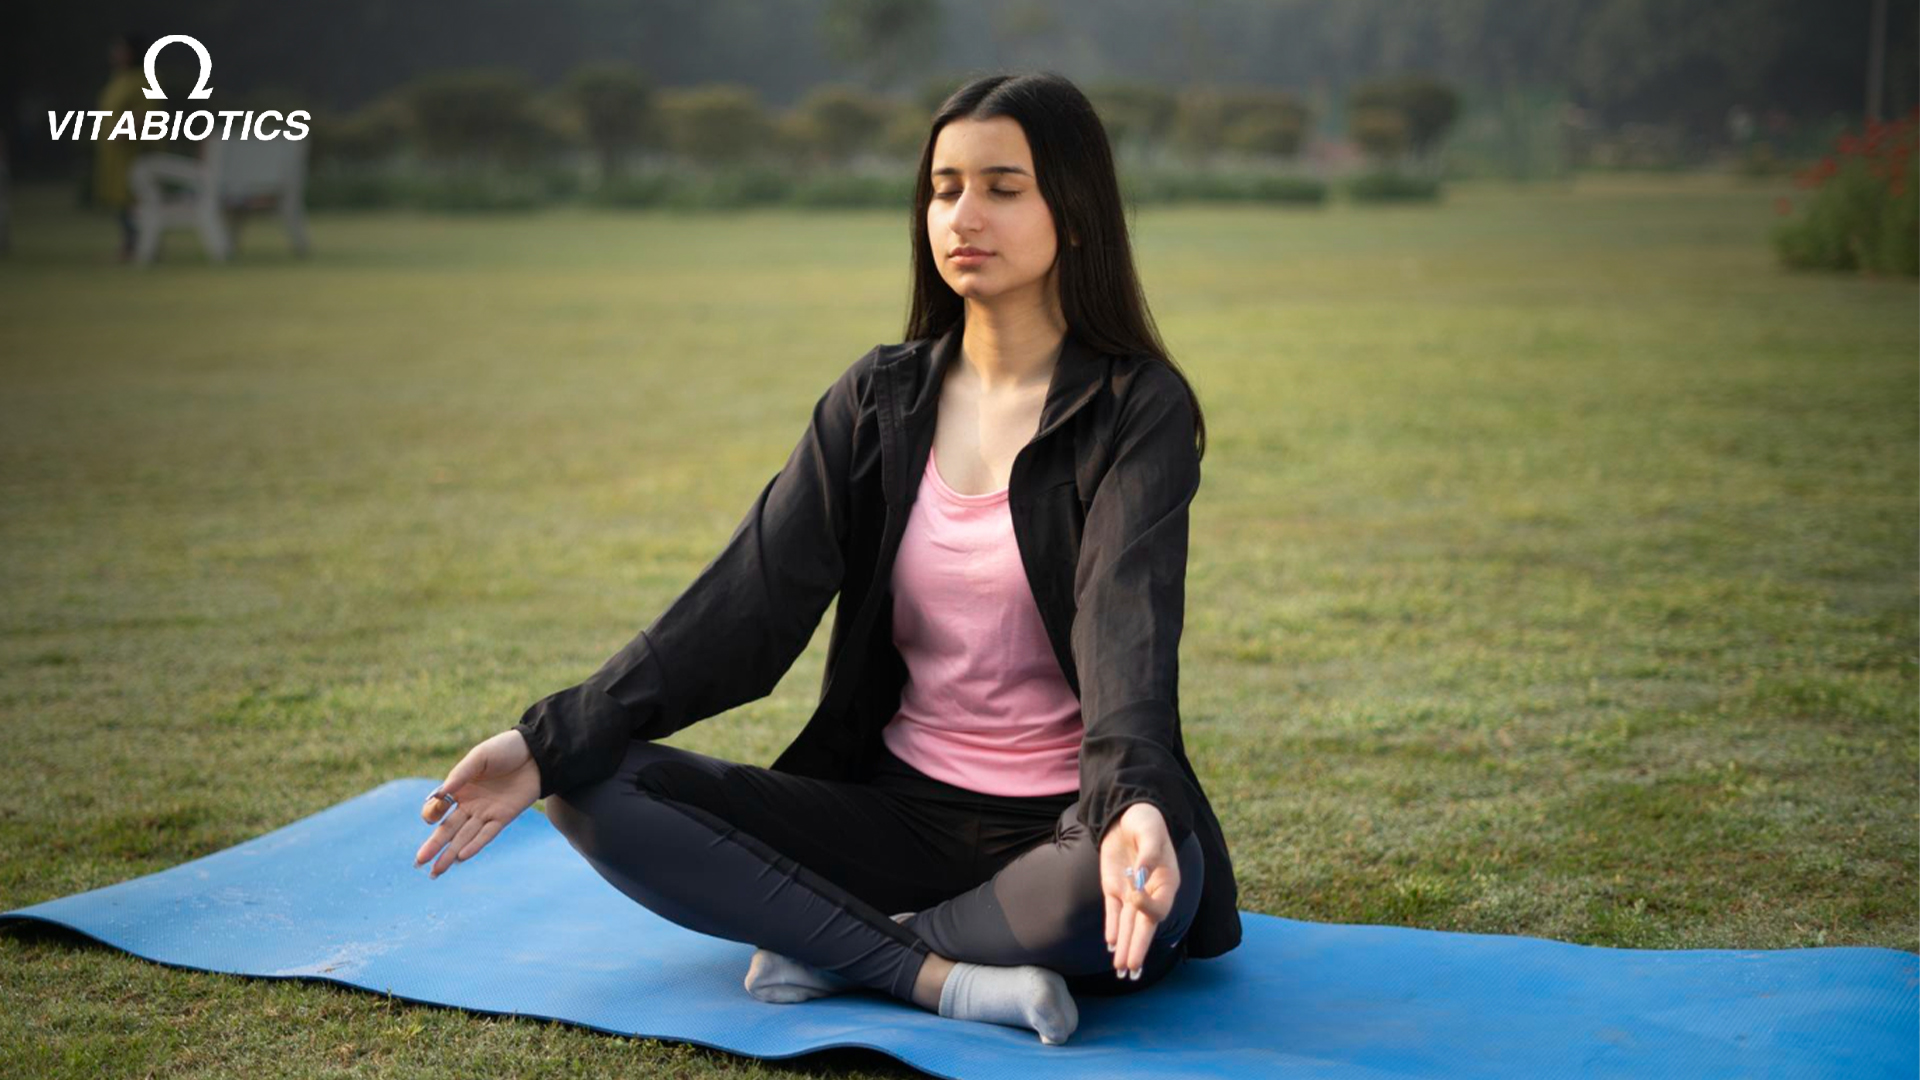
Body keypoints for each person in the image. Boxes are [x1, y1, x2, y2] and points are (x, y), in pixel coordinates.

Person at [413, 71, 1241, 1047]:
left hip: (1070, 822)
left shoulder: (1134, 409)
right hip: (894, 819)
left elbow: (1126, 622)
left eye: (1002, 188)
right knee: (596, 786)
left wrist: (1136, 803)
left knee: (1102, 895)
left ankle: (840, 947)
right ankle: (934, 975)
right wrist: (550, 740)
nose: (964, 216)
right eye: (944, 189)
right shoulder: (880, 401)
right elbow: (745, 608)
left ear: (1076, 208)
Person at [95, 32, 152, 263]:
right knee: (120, 201)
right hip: (114, 154)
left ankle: (138, 246)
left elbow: (146, 113)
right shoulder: (119, 79)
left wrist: (124, 132)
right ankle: (129, 246)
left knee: (133, 199)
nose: (115, 53)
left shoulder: (142, 79)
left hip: (132, 151)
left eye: (121, 49)